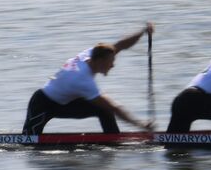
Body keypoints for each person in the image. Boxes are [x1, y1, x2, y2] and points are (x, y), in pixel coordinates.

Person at [22, 23, 156, 134]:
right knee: (28, 144)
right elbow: (114, 107)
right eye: (110, 62)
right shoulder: (83, 79)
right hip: (42, 104)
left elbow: (120, 45)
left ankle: (112, 141)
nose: (113, 65)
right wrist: (140, 125)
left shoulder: (92, 53)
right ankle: (112, 140)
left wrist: (143, 32)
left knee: (105, 110)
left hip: (66, 101)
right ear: (99, 61)